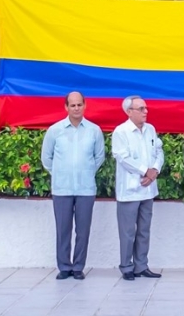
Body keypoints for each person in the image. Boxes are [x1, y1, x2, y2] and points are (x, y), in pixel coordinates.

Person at [41, 91, 106, 280]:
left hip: (86, 188)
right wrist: (61, 173)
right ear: (66, 107)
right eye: (72, 105)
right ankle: (64, 267)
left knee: (83, 230)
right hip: (62, 188)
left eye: (79, 105)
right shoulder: (55, 130)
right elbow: (47, 158)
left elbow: (99, 157)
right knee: (63, 229)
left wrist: (85, 172)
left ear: (85, 105)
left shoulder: (94, 130)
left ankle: (78, 267)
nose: (76, 108)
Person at [112, 95, 164, 281]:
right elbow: (123, 158)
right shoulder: (121, 132)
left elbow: (159, 151)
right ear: (129, 112)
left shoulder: (150, 130)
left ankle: (141, 265)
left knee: (144, 230)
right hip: (130, 190)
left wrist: (155, 170)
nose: (145, 111)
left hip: (148, 189)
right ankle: (127, 266)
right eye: (141, 109)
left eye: (145, 108)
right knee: (127, 232)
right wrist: (145, 171)